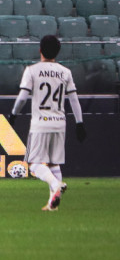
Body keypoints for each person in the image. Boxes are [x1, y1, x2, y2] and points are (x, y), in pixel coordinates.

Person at [8, 35, 86, 211]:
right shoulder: (65, 72)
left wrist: (13, 114)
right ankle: (53, 205)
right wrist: (80, 123)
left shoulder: (32, 70)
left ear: (40, 50)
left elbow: (22, 97)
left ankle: (56, 184)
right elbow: (74, 100)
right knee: (53, 163)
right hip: (60, 122)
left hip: (40, 123)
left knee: (34, 164)